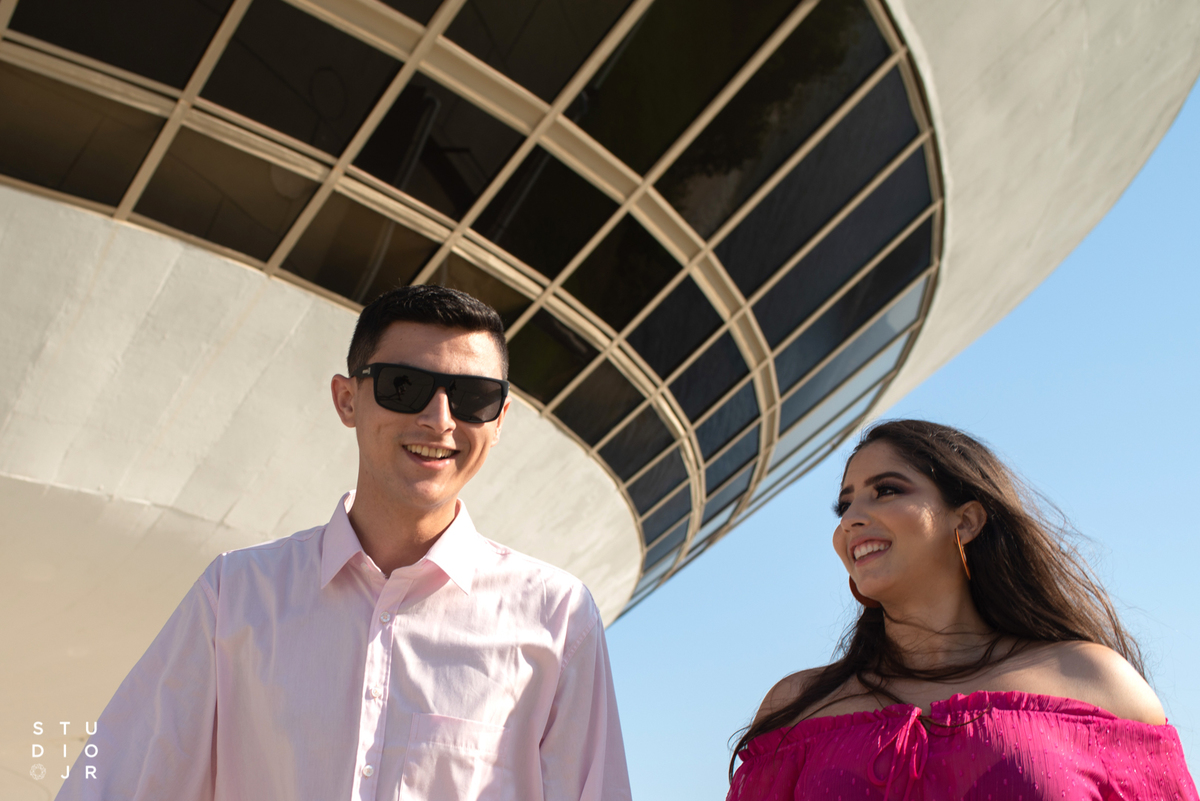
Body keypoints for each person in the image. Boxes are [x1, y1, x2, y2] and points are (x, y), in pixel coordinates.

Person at [58, 285, 631, 801]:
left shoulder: (558, 619)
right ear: (347, 399)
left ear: (500, 419)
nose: (439, 419)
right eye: (404, 386)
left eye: (473, 397)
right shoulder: (234, 597)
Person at [728, 419, 1197, 801]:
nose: (851, 519)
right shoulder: (798, 710)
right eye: (844, 505)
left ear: (967, 520)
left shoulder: (1095, 683)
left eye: (886, 490)